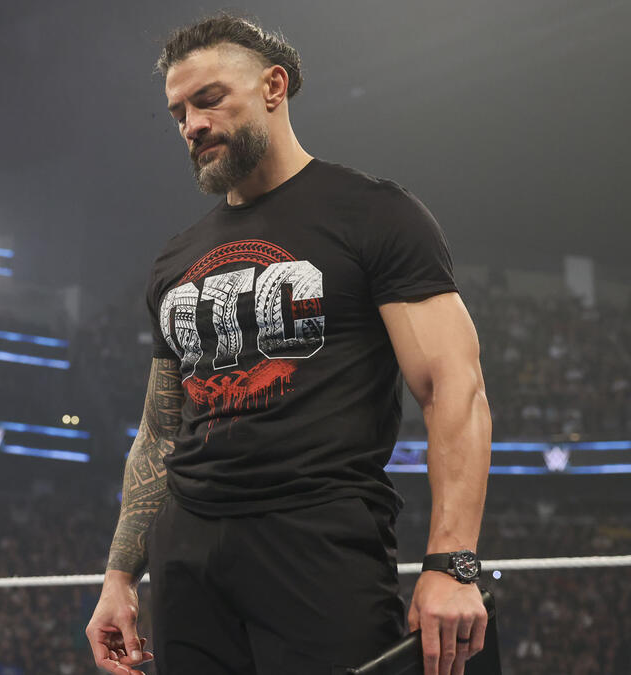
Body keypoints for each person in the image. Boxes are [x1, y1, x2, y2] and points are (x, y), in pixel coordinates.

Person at [85, 15, 492, 675]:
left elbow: (453, 387)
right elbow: (160, 432)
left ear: (274, 87)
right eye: (179, 112)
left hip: (317, 541)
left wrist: (452, 562)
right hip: (186, 555)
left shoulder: (374, 213)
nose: (192, 125)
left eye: (209, 99)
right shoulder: (175, 259)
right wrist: (119, 576)